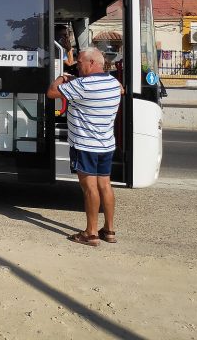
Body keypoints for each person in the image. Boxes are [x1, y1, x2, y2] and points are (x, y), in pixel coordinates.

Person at [46, 47, 124, 246]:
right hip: (106, 145)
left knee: (89, 188)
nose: (76, 65)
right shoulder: (113, 83)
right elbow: (121, 90)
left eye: (79, 62)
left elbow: (51, 92)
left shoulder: (81, 85)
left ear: (92, 63)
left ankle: (91, 233)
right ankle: (109, 230)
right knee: (105, 185)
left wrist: (63, 78)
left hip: (85, 145)